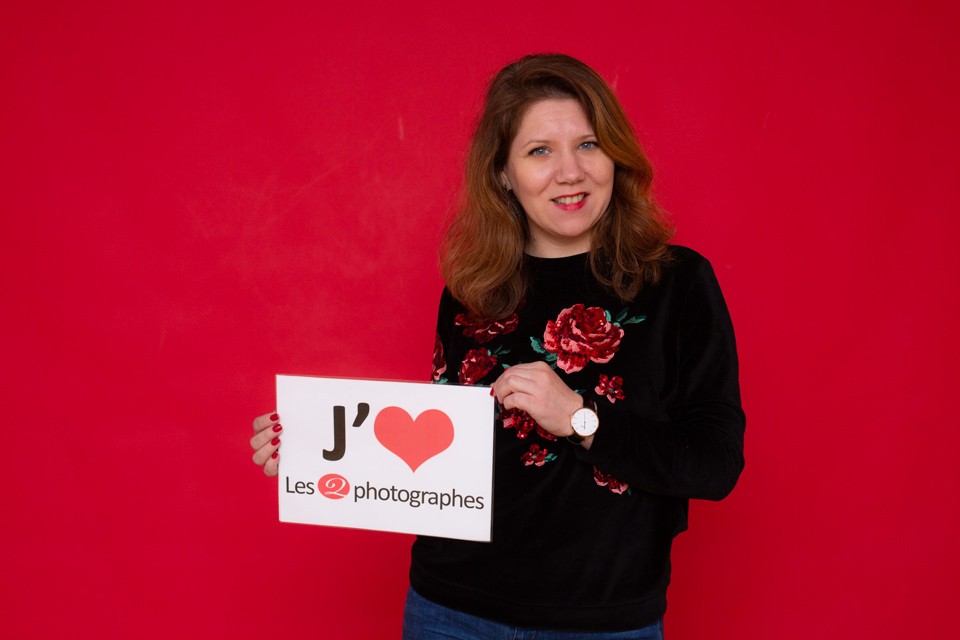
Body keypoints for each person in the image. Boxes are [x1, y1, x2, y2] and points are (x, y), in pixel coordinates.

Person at [250, 53, 745, 639]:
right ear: (504, 173)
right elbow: (440, 461)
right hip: (451, 612)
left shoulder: (676, 283)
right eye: (540, 151)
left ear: (616, 156)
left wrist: (582, 418)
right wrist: (317, 456)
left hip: (602, 622)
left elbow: (715, 467)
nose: (571, 172)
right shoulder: (471, 294)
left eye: (588, 145)